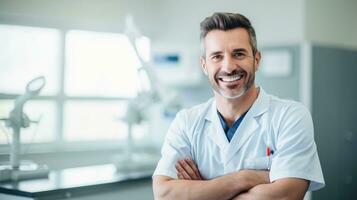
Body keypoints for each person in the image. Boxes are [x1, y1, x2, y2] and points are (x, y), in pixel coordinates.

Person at [152, 12, 325, 200]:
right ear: (204, 66)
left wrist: (203, 190)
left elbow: (286, 196)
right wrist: (244, 179)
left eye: (239, 54)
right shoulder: (187, 122)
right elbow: (165, 195)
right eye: (217, 56)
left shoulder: (290, 116)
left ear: (256, 60)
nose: (228, 67)